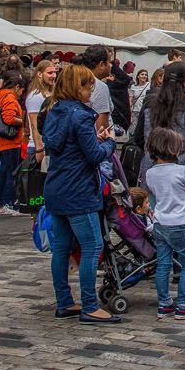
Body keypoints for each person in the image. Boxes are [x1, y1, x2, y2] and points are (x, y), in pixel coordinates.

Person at [41, 63, 119, 325]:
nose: (90, 92)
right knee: (91, 245)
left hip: (56, 186)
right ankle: (89, 305)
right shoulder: (81, 116)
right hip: (78, 190)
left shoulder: (54, 111)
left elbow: (64, 146)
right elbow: (94, 155)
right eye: (87, 87)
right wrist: (108, 142)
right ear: (77, 87)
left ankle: (64, 301)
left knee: (61, 248)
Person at [144, 126, 185, 321]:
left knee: (163, 265)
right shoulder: (182, 171)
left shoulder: (151, 173)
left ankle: (164, 304)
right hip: (179, 223)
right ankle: (184, 305)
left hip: (160, 223)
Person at [0, 69, 27, 215]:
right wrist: (22, 122)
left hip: (0, 140)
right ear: (17, 87)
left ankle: (0, 204)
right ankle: (9, 204)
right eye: (21, 91)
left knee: (4, 173)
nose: (21, 94)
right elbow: (8, 118)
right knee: (10, 173)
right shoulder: (10, 98)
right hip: (9, 141)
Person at [24, 58, 59, 166]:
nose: (53, 75)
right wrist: (39, 148)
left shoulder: (49, 93)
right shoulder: (36, 96)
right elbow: (34, 125)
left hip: (49, 145)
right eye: (49, 73)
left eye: (54, 72)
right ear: (39, 74)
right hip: (38, 147)